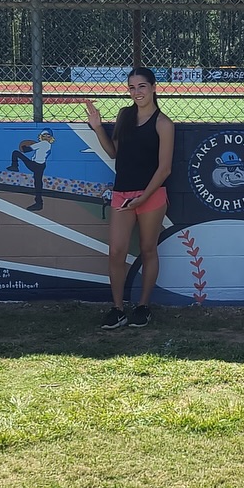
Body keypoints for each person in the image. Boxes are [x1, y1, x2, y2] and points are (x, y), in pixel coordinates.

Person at [86, 66, 173, 330]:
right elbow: (114, 153)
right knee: (117, 251)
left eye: (142, 86)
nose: (137, 92)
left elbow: (164, 168)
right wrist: (98, 127)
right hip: (122, 194)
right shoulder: (124, 116)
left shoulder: (163, 123)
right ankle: (117, 309)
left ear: (154, 87)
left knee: (148, 250)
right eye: (132, 87)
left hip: (152, 195)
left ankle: (143, 307)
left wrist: (144, 197)